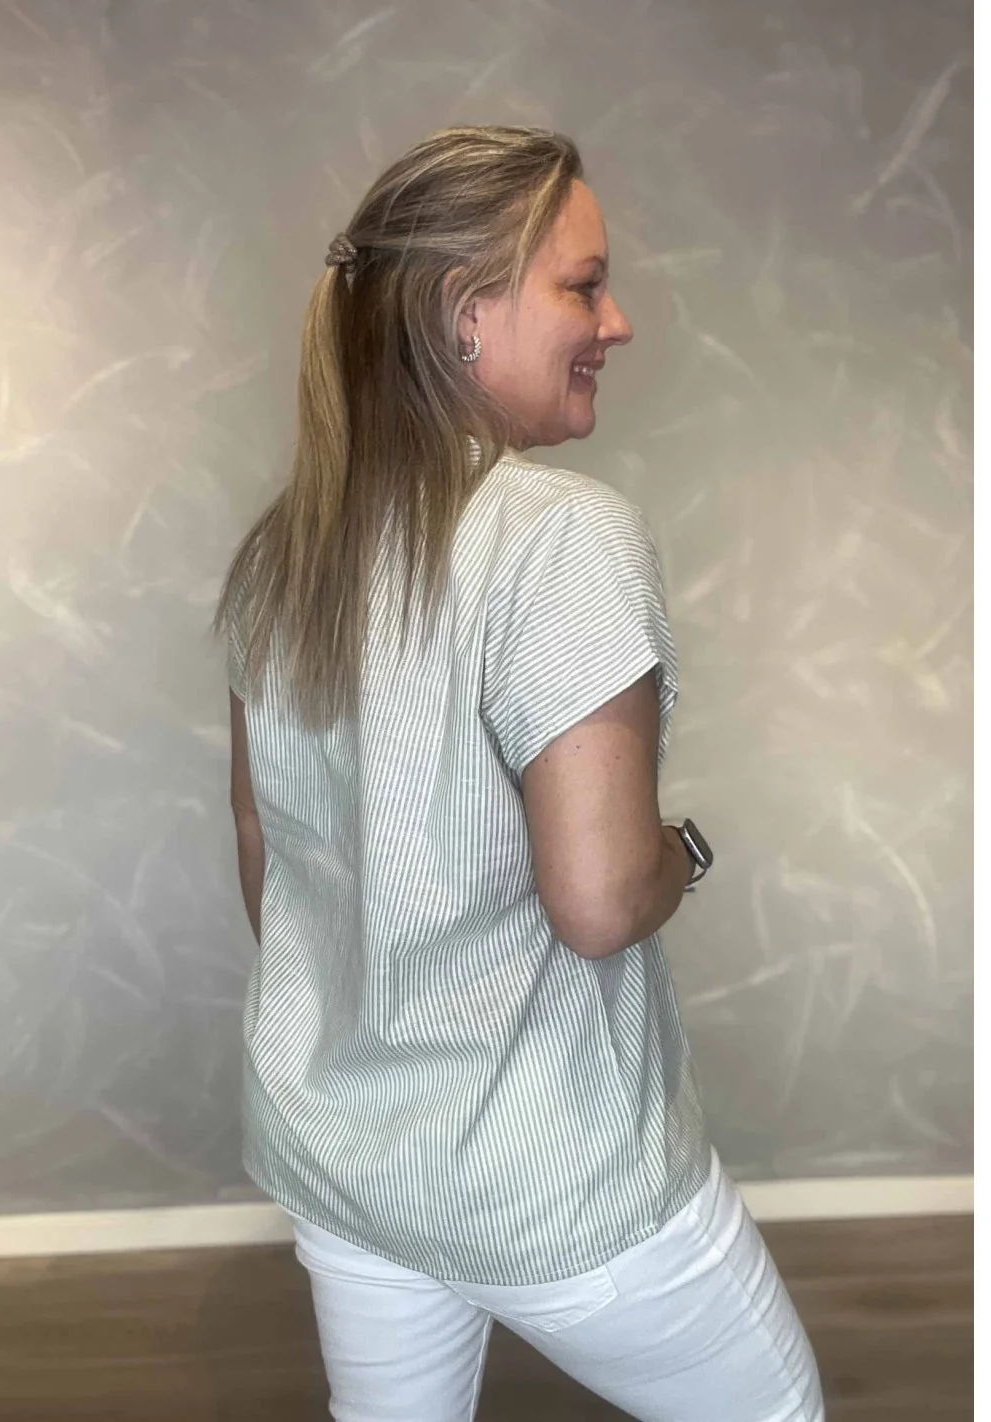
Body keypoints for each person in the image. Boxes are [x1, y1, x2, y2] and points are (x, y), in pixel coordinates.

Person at [215, 125, 823, 1422]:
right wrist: (686, 850)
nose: (619, 321)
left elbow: (268, 854)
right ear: (465, 314)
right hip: (555, 1175)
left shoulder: (286, 549)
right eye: (584, 286)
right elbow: (599, 898)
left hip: (349, 1160)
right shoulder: (559, 536)